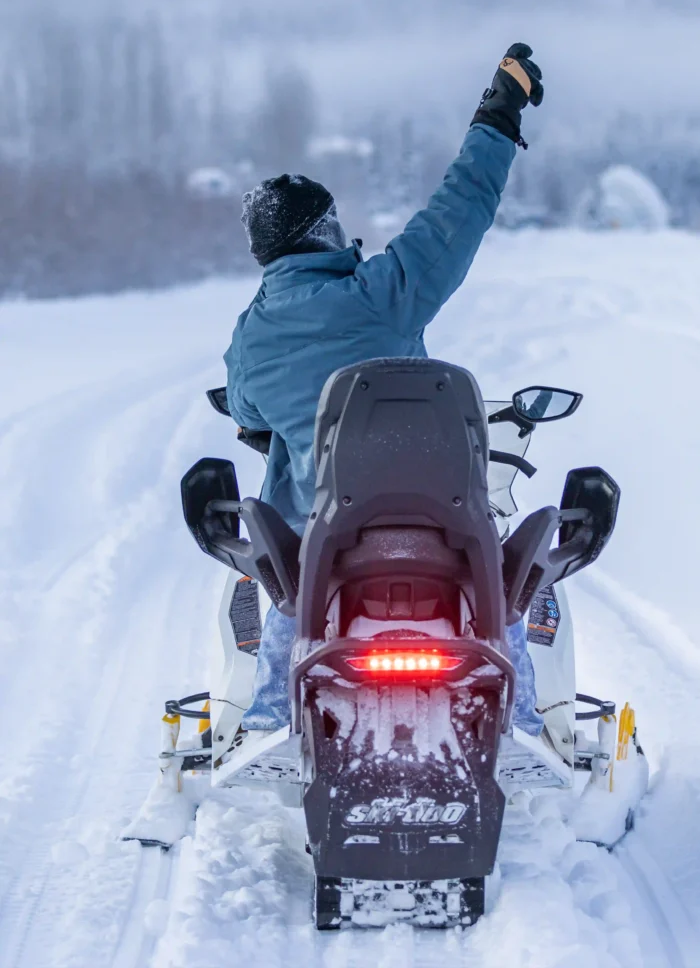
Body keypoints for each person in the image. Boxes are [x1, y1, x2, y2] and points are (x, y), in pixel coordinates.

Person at [225, 43, 548, 740]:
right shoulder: (383, 295)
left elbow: (246, 410)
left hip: (324, 534)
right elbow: (456, 212)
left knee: (284, 596)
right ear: (325, 232)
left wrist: (273, 422)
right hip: (439, 521)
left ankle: (267, 722)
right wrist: (497, 115)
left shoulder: (251, 336)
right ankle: (519, 724)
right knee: (499, 586)